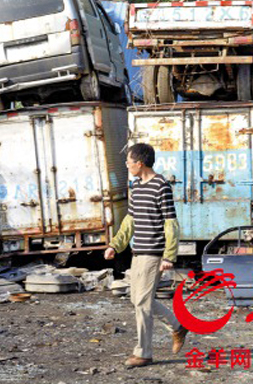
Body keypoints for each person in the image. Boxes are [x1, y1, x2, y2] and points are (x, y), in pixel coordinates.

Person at [104, 143, 188, 367]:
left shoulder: (161, 186)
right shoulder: (136, 186)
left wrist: (169, 256)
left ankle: (143, 352)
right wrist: (115, 244)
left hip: (154, 253)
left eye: (129, 161)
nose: (127, 164)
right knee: (137, 299)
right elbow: (130, 220)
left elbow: (171, 222)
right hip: (138, 252)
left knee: (142, 302)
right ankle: (178, 326)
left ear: (140, 163)